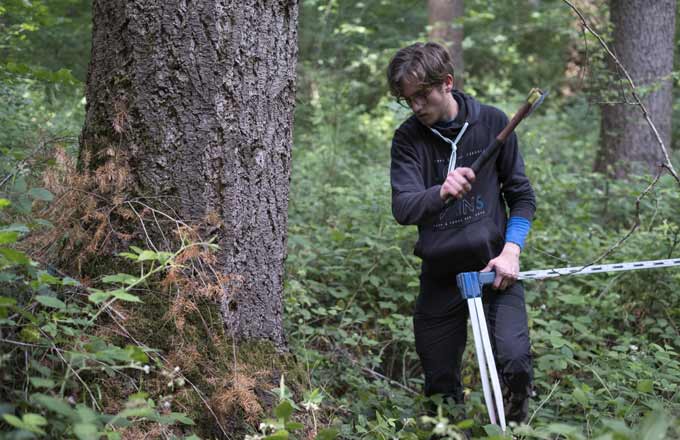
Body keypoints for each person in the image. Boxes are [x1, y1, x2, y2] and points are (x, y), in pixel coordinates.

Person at [387, 42, 536, 424]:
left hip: (494, 270)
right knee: (439, 386)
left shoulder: (491, 123)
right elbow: (403, 208)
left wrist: (512, 250)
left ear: (447, 83)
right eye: (409, 99)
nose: (417, 106)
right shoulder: (408, 139)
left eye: (423, 95)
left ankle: (514, 430)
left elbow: (521, 197)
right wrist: (441, 191)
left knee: (515, 364)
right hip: (441, 275)